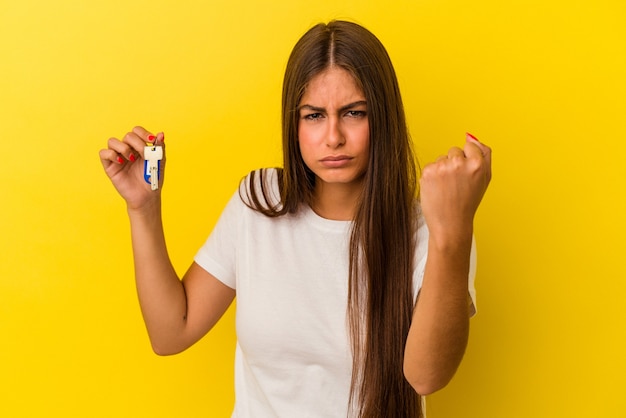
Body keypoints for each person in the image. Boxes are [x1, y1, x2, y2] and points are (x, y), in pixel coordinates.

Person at [99, 20, 491, 418]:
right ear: (294, 122)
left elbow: (426, 377)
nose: (333, 137)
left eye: (354, 113)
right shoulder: (258, 202)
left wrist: (453, 232)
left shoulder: (435, 229)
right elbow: (171, 332)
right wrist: (143, 209)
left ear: (383, 119)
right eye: (314, 115)